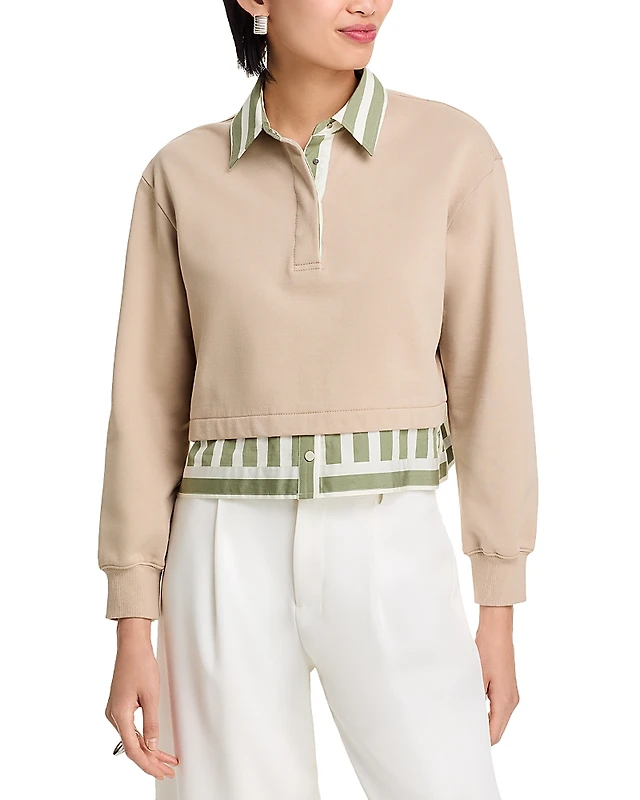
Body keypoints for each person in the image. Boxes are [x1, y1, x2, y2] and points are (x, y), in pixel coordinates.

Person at [98, 1, 539, 798]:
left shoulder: (453, 154)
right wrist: (134, 621)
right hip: (223, 545)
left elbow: (491, 384)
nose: (368, 3)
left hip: (390, 535)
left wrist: (498, 606)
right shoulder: (180, 175)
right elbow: (145, 406)